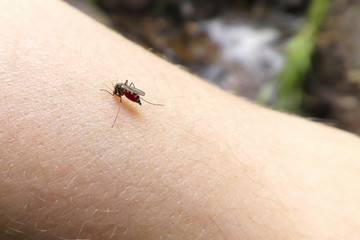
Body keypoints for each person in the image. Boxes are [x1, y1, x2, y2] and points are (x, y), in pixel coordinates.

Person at [1, 0, 360, 239]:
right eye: (122, 94)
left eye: (122, 93)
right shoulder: (121, 91)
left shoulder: (125, 92)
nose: (123, 95)